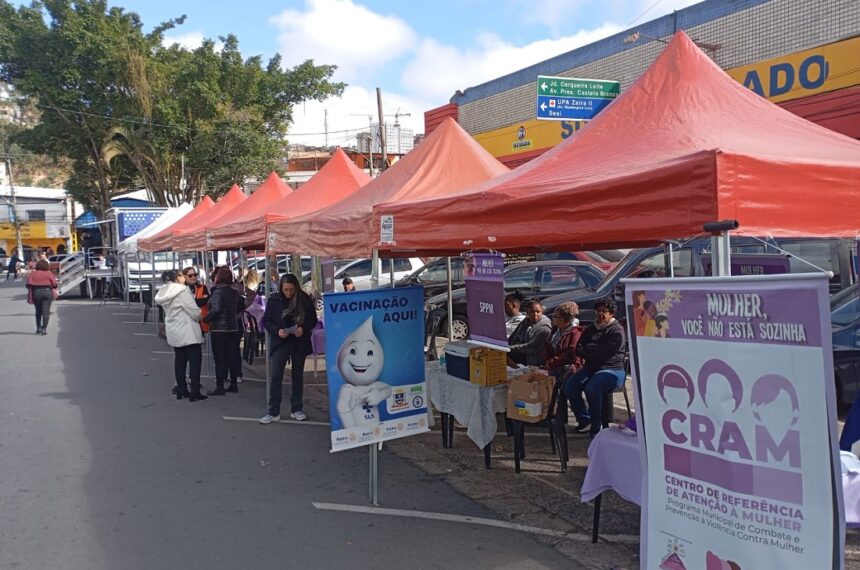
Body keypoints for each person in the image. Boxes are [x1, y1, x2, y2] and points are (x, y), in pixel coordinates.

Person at [563, 297, 627, 437]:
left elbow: (607, 354)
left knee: (592, 388)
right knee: (570, 386)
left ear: (611, 314)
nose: (600, 314)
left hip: (612, 370)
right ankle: (585, 420)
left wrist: (590, 348)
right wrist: (593, 350)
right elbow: (579, 348)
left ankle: (596, 427)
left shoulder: (617, 331)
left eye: (604, 311)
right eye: (598, 311)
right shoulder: (590, 329)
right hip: (591, 367)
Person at [260, 273, 318, 424]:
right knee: (276, 375)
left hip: (299, 342)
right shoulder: (274, 300)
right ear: (281, 288)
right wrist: (277, 330)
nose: (289, 293)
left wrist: (303, 329)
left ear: (296, 287)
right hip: (281, 341)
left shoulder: (304, 299)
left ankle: (296, 408)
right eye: (286, 290)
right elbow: (266, 320)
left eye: (292, 289)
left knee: (297, 375)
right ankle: (273, 411)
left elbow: (313, 320)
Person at [154, 270, 207, 402]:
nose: (184, 278)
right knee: (195, 361)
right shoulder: (182, 291)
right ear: (177, 278)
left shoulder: (164, 291)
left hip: (174, 328)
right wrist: (201, 315)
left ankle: (181, 389)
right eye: (182, 276)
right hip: (188, 329)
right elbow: (194, 312)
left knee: (180, 360)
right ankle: (195, 391)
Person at [204, 267, 242, 396]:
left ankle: (220, 386)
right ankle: (233, 384)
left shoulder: (218, 293)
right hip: (233, 327)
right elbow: (240, 306)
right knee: (232, 357)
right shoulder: (234, 292)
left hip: (219, 329)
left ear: (218, 278)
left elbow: (216, 309)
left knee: (219, 358)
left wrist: (206, 319)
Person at [544, 301, 583, 379]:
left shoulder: (575, 332)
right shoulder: (556, 329)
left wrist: (552, 362)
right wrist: (547, 360)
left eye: (555, 316)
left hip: (567, 368)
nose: (553, 318)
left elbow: (572, 354)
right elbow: (548, 345)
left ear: (562, 319)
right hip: (553, 365)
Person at [507, 299, 552, 366]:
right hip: (520, 351)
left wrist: (510, 348)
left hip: (533, 358)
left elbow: (531, 347)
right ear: (527, 313)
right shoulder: (526, 321)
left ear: (542, 312)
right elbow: (514, 336)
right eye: (532, 312)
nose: (535, 314)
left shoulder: (544, 328)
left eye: (538, 312)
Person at [26, 259, 58, 335]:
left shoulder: (32, 274)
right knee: (46, 312)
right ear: (47, 266)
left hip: (36, 293)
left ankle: (38, 328)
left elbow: (28, 285)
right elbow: (55, 285)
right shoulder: (49, 274)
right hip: (47, 293)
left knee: (38, 311)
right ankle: (44, 329)